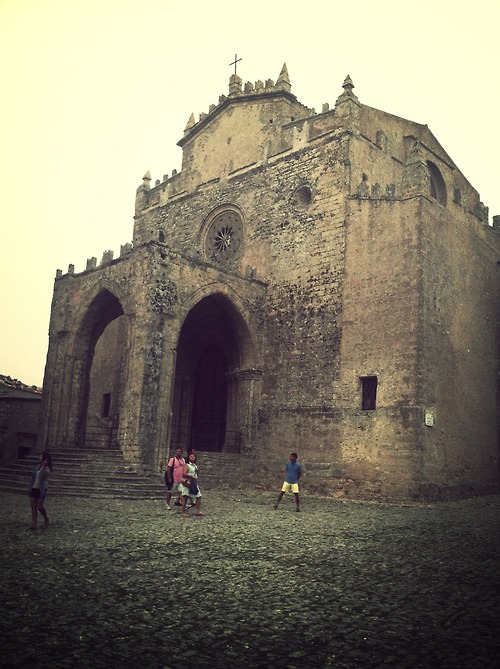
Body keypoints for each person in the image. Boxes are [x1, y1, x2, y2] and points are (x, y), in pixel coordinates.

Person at [28, 451, 53, 529]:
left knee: (39, 507)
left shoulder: (47, 468)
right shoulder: (37, 467)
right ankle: (34, 523)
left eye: (40, 457)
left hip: (41, 489)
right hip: (34, 487)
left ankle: (46, 518)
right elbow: (34, 476)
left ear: (44, 459)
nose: (39, 458)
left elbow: (42, 476)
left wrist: (44, 465)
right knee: (33, 506)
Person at [179, 452, 205, 517]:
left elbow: (196, 474)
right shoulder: (187, 465)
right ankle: (183, 512)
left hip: (193, 483)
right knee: (185, 497)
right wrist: (191, 476)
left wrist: (197, 471)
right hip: (188, 482)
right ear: (189, 458)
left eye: (193, 456)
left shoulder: (195, 466)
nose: (192, 457)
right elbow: (184, 473)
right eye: (191, 456)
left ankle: (198, 511)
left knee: (198, 496)